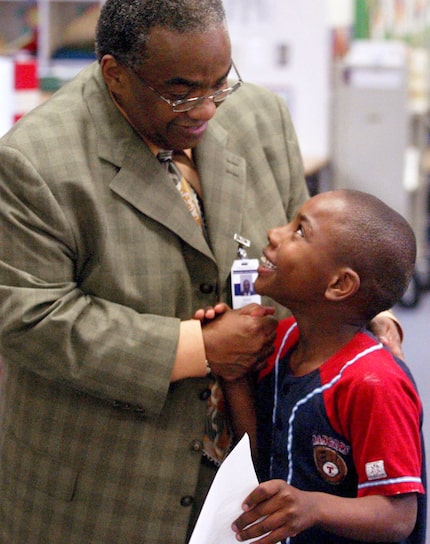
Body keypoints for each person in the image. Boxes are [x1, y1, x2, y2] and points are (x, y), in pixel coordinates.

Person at [0, 1, 403, 543]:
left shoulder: (260, 116)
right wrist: (200, 347)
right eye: (182, 90)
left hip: (256, 480)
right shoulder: (37, 162)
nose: (208, 108)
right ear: (114, 74)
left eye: (221, 82)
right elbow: (30, 318)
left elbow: (324, 254)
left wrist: (367, 319)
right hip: (108, 492)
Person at [220, 190, 426, 544]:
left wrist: (312, 506)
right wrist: (234, 371)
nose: (274, 233)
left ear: (339, 284)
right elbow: (257, 450)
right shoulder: (281, 341)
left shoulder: (374, 382)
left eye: (300, 231)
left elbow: (397, 516)